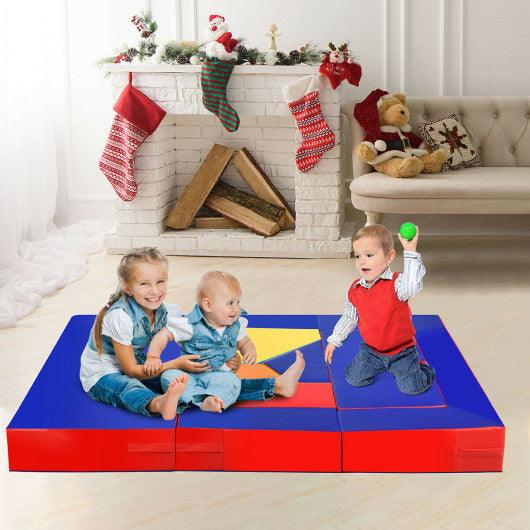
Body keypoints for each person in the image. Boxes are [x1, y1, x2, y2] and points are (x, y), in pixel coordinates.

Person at [79, 248, 304, 419]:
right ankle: (158, 404)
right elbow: (131, 371)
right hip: (104, 374)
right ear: (128, 288)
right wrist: (174, 363)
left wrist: (227, 356)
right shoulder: (120, 317)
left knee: (200, 380)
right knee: (128, 388)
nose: (155, 291)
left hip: (141, 367)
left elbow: (199, 330)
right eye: (144, 284)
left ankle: (276, 385)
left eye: (160, 281)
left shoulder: (167, 311)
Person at [150, 271, 304, 414]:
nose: (236, 309)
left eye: (238, 302)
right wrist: (153, 357)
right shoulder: (189, 325)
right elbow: (163, 335)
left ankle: (208, 400)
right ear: (208, 305)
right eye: (230, 303)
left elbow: (244, 341)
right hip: (188, 375)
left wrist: (249, 351)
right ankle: (203, 398)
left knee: (232, 383)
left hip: (220, 376)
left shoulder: (236, 325)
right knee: (169, 376)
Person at [324, 224, 435, 395]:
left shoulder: (396, 284)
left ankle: (423, 368)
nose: (362, 261)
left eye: (369, 255)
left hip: (402, 352)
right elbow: (349, 317)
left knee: (413, 389)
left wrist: (410, 251)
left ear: (389, 257)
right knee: (353, 379)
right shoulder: (355, 289)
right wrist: (334, 340)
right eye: (358, 256)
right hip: (371, 351)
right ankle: (383, 366)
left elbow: (412, 285)